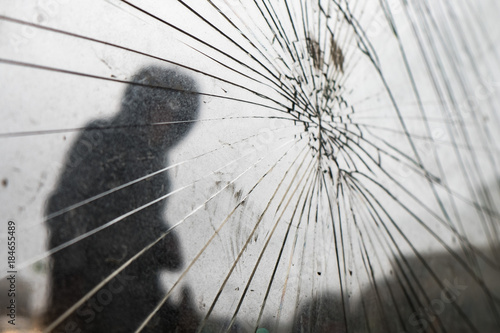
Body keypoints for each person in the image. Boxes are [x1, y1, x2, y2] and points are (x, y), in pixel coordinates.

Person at [44, 66, 200, 332]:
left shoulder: (157, 167)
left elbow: (141, 224)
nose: (164, 121)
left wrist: (164, 239)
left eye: (174, 115)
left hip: (129, 290)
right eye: (159, 108)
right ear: (142, 107)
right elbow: (67, 206)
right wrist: (70, 279)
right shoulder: (102, 136)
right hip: (89, 284)